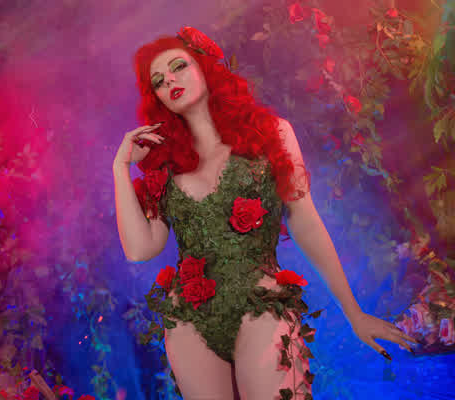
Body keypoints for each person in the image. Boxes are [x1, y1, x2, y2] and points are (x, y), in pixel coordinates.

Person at [112, 26, 418, 400]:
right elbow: (140, 249)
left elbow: (305, 223)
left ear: (205, 67)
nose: (170, 81)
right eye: (159, 81)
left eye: (179, 66)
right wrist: (120, 168)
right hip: (189, 319)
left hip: (262, 306)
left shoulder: (271, 133)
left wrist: (354, 312)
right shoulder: (164, 165)